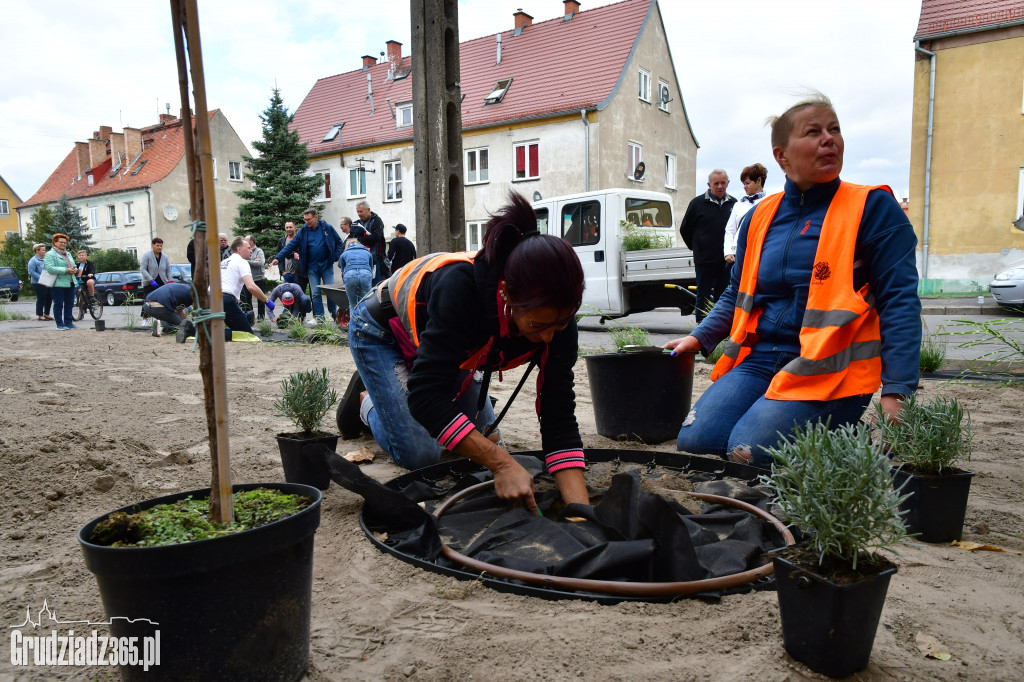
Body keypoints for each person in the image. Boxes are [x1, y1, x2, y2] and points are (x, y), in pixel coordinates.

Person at [663, 93, 921, 468]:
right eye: (813, 131)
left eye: (834, 129)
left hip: (829, 368)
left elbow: (900, 302)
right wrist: (699, 335)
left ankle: (845, 435)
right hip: (760, 359)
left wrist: (897, 392)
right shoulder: (759, 216)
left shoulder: (872, 208)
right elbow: (738, 291)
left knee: (749, 452)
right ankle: (799, 425)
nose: (829, 138)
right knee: (697, 443)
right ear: (781, 155)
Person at [338, 192, 589, 512]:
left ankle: (397, 385)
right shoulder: (462, 292)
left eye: (562, 322)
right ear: (507, 294)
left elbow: (559, 415)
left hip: (447, 342)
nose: (551, 335)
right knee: (422, 454)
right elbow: (426, 397)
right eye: (538, 324)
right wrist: (501, 465)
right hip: (379, 330)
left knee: (485, 437)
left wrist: (581, 514)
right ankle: (368, 400)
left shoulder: (556, 319)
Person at [680, 169, 737, 322]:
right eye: (716, 183)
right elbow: (685, 229)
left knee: (723, 294)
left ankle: (719, 326)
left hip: (726, 260)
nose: (720, 186)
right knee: (703, 294)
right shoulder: (697, 204)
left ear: (728, 183)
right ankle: (701, 327)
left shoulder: (734, 204)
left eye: (723, 183)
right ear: (709, 185)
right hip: (704, 259)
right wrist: (697, 247)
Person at [271, 209, 343, 321]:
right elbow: (291, 245)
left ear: (316, 218)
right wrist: (278, 257)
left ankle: (334, 314)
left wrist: (335, 257)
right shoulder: (303, 231)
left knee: (330, 292)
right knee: (315, 293)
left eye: (308, 219)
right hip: (311, 266)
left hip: (326, 264)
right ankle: (320, 318)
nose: (306, 222)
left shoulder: (327, 228)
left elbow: (339, 242)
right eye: (305, 219)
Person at [220, 237, 274, 339]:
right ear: (239, 249)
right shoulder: (242, 262)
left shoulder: (223, 262)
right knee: (246, 334)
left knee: (216, 325)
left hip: (210, 298)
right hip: (225, 300)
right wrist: (267, 301)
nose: (251, 250)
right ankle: (209, 334)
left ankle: (193, 330)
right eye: (248, 248)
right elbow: (251, 286)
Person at [723, 163, 768, 268]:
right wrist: (728, 252)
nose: (745, 187)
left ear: (759, 181)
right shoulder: (738, 205)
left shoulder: (769, 202)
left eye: (747, 183)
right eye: (744, 183)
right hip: (738, 254)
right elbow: (730, 230)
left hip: (760, 253)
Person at [43, 233, 80, 330]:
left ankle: (69, 323)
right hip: (58, 283)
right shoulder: (50, 254)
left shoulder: (68, 253)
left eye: (65, 243)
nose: (63, 244)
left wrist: (74, 270)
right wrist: (65, 270)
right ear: (55, 242)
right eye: (61, 242)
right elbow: (50, 268)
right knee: (58, 304)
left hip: (70, 281)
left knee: (70, 303)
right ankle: (60, 324)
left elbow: (71, 265)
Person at [354, 200, 388, 284]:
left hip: (376, 259)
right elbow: (353, 237)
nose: (359, 214)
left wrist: (360, 239)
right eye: (357, 212)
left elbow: (376, 237)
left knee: (376, 284)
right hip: (361, 260)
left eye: (361, 211)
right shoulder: (357, 223)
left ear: (368, 210)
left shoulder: (376, 221)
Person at [338, 234, 373, 312]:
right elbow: (370, 268)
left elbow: (343, 270)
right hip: (365, 274)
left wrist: (346, 282)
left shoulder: (344, 254)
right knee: (364, 303)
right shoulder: (367, 252)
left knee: (353, 304)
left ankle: (354, 323)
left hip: (350, 275)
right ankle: (364, 323)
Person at [275, 221, 309, 293]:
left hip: (298, 274)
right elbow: (279, 255)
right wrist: (282, 270)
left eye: (290, 227)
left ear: (295, 228)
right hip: (286, 273)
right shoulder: (282, 241)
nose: (288, 229)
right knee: (287, 295)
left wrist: (297, 269)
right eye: (287, 227)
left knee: (298, 294)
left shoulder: (300, 240)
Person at [239, 235, 267, 320]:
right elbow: (241, 262)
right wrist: (254, 261)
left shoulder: (259, 251)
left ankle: (261, 317)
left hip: (258, 278)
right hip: (247, 279)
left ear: (251, 242)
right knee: (247, 300)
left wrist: (247, 261)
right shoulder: (243, 252)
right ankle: (250, 317)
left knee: (261, 299)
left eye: (246, 241)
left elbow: (261, 263)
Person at [28, 243, 53, 321]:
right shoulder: (33, 260)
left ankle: (47, 313)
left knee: (49, 296)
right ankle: (40, 315)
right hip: (37, 282)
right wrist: (41, 277)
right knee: (41, 297)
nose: (44, 251)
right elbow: (31, 272)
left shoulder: (46, 259)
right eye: (43, 250)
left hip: (47, 281)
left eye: (45, 250)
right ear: (37, 251)